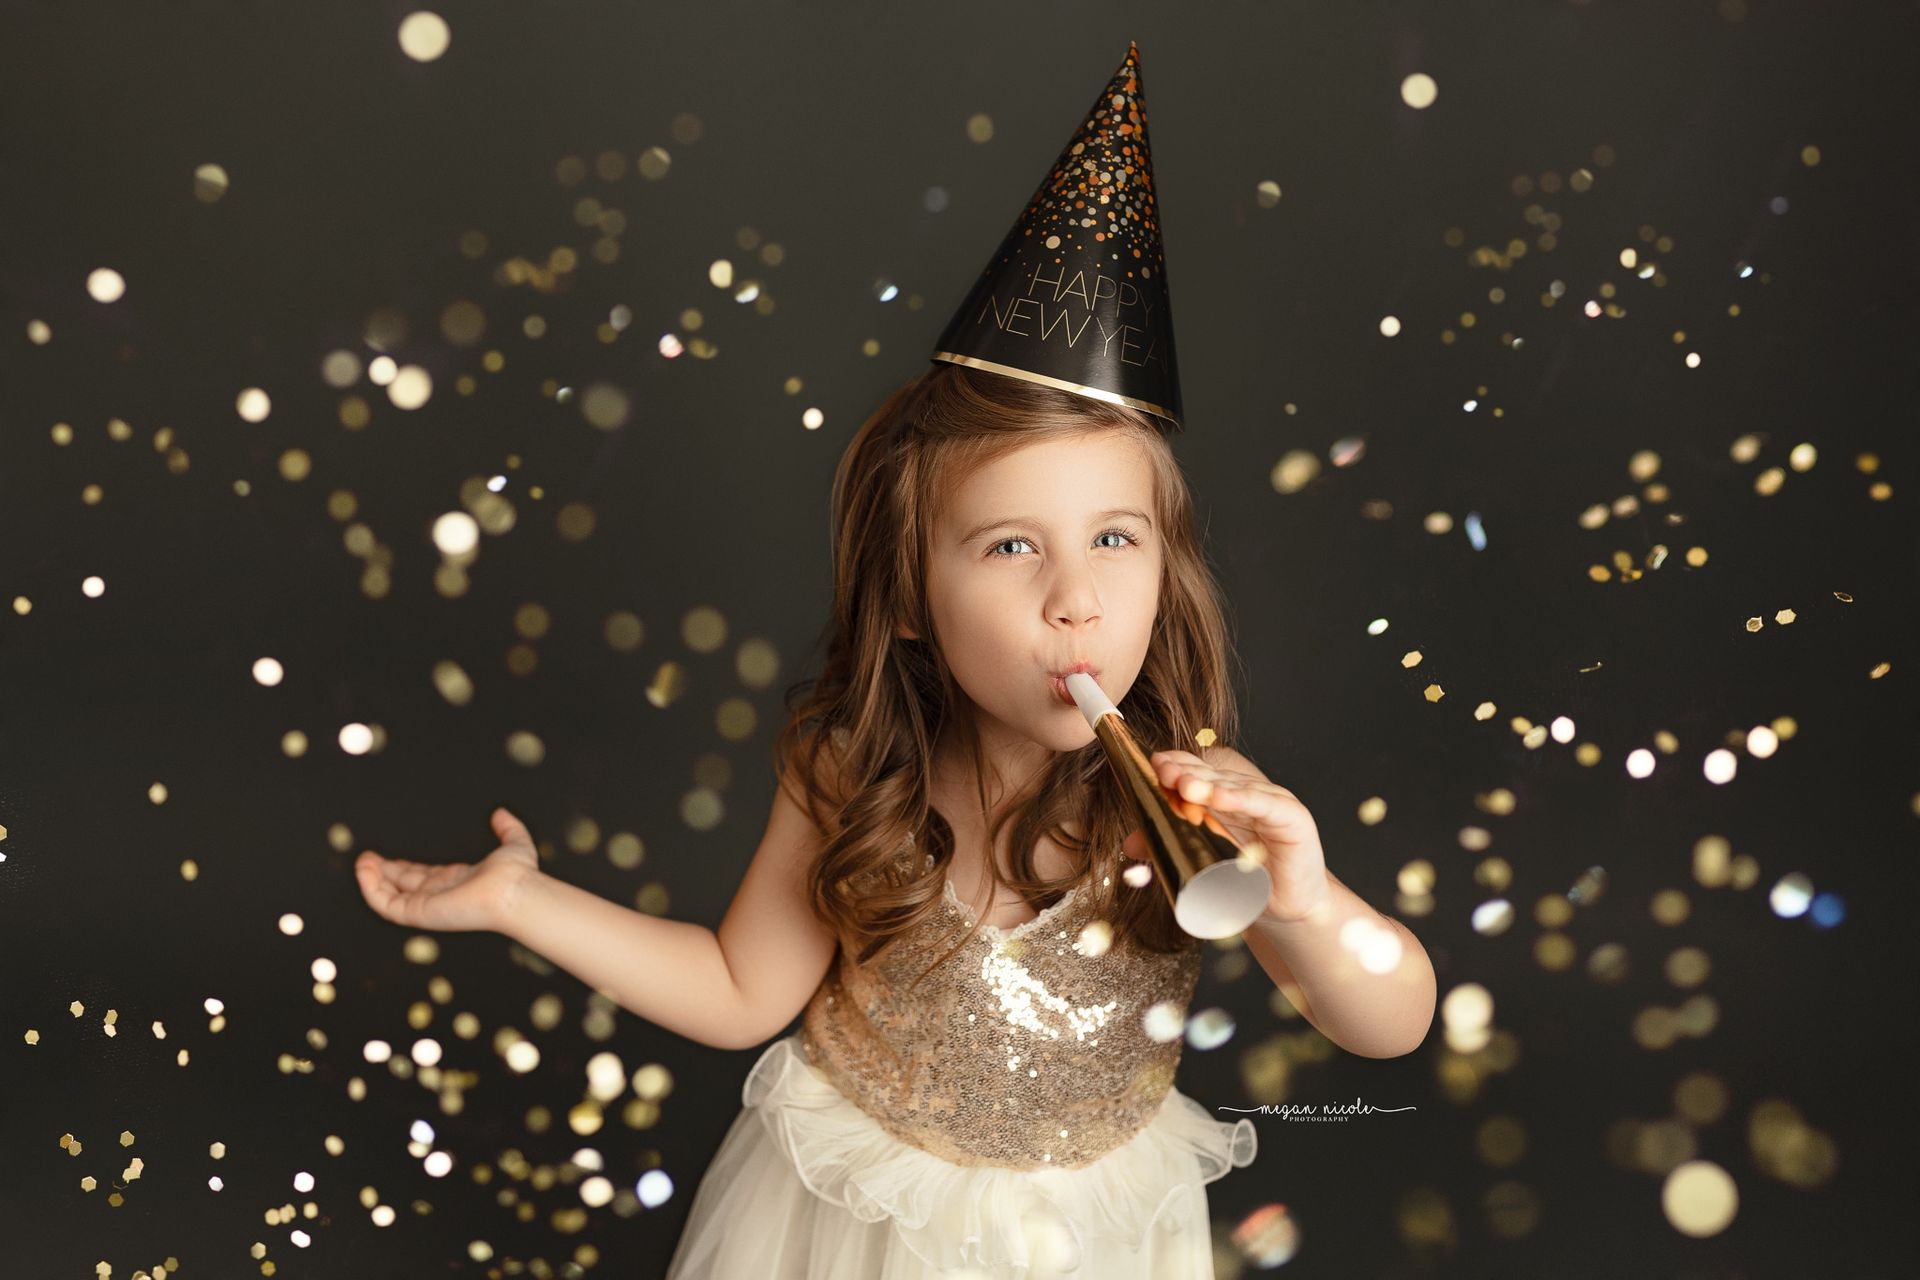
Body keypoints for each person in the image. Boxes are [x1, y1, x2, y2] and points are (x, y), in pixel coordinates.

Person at [354, 41, 1435, 1279]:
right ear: (914, 601)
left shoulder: (1192, 800)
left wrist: (1311, 901)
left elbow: (1391, 1023)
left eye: (1114, 539)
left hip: (1091, 1244)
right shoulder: (848, 770)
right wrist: (517, 899)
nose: (1075, 598)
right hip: (854, 1230)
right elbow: (735, 986)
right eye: (1012, 545)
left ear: (1164, 567)